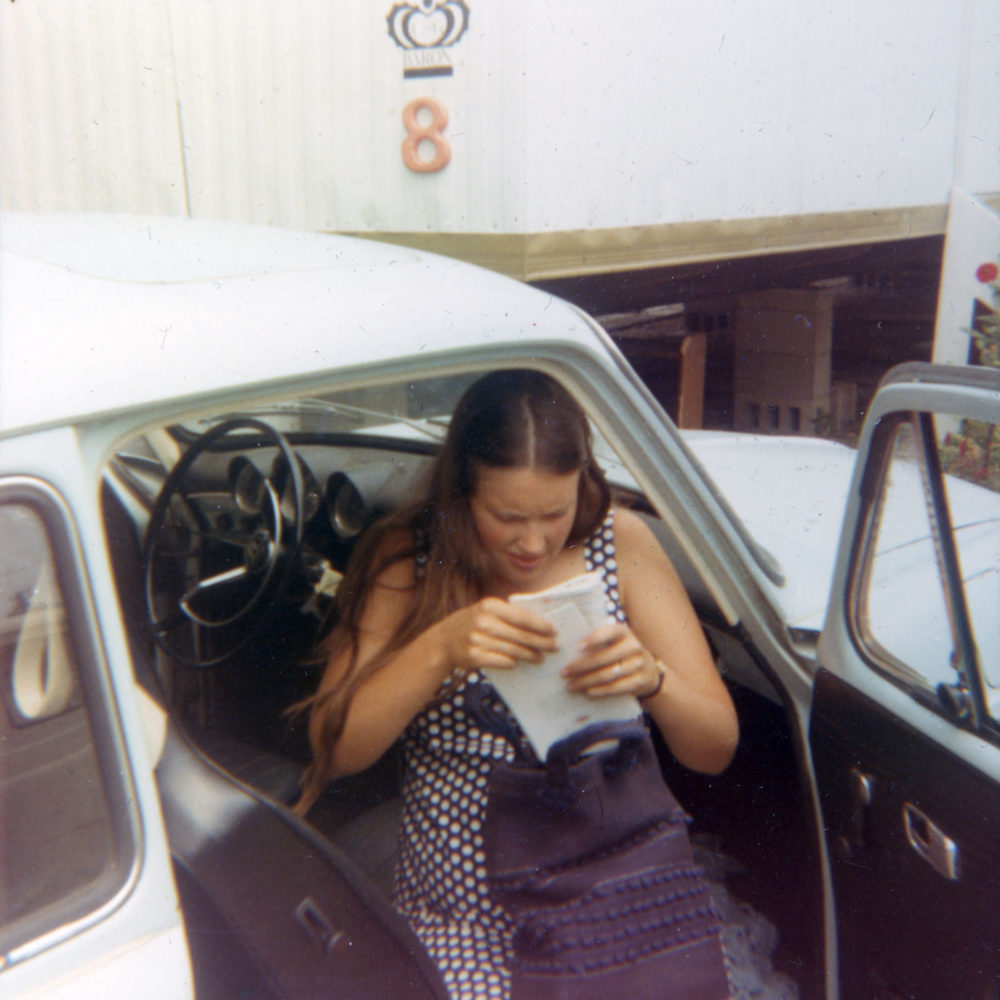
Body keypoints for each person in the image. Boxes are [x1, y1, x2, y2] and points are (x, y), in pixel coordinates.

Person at [297, 369, 741, 1000]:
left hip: (607, 896)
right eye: (506, 517)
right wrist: (442, 647)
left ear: (584, 483)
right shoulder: (408, 554)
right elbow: (334, 749)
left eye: (554, 514)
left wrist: (654, 679)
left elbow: (715, 748)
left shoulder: (623, 541)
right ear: (461, 492)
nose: (532, 543)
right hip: (464, 912)